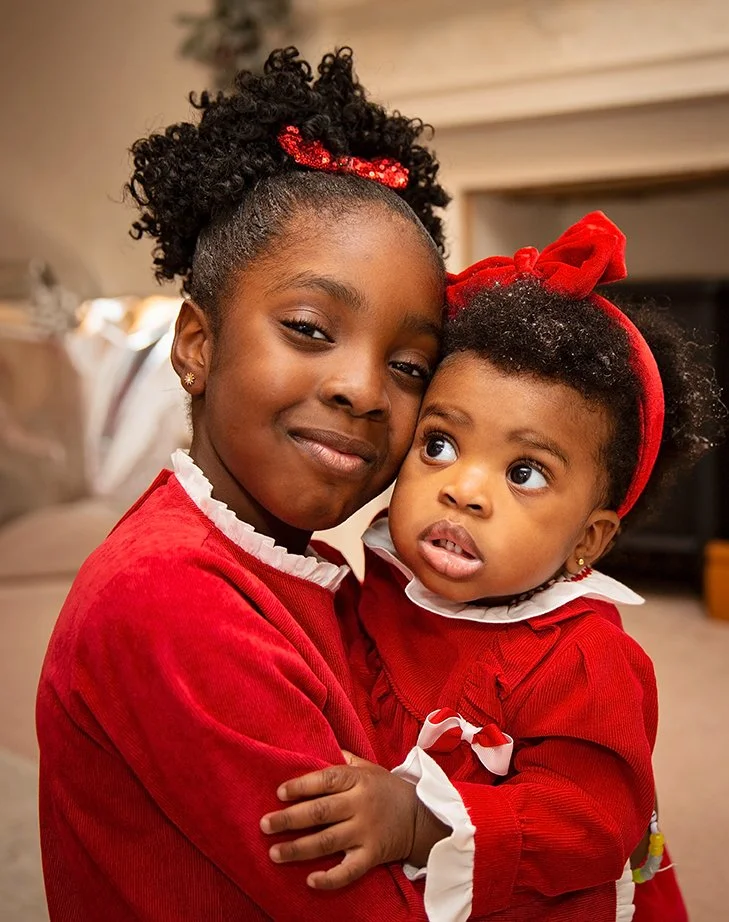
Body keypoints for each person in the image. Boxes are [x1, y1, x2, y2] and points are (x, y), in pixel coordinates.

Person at [35, 46, 465, 921]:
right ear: (197, 345)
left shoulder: (293, 563)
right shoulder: (169, 603)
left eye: (411, 365)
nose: (362, 387)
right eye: (310, 328)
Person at [260, 212, 719, 920]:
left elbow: (592, 823)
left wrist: (420, 820)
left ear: (586, 542)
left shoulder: (583, 663)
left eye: (525, 471)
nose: (463, 489)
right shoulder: (375, 578)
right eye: (439, 444)